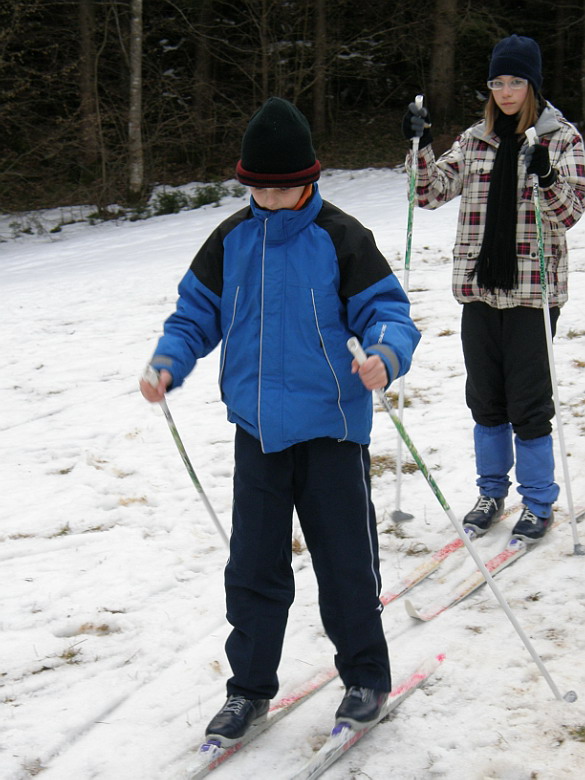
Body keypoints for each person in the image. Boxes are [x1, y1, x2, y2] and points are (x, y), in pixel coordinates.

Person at [140, 97, 421, 745]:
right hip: (258, 434)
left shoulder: (342, 237)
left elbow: (388, 313)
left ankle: (365, 678)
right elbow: (194, 315)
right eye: (258, 189)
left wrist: (383, 355)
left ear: (309, 179)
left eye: (281, 188)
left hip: (331, 431)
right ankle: (247, 690)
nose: (268, 200)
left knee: (345, 564)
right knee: (253, 568)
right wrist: (167, 361)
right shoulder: (232, 239)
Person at [402, 34, 585, 542]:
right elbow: (428, 192)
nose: (505, 92)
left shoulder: (561, 140)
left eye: (515, 82)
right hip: (479, 288)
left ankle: (538, 500)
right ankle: (490, 492)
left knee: (528, 403)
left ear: (533, 85)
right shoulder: (474, 140)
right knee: (485, 399)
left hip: (531, 291)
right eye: (497, 82)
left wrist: (546, 175)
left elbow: (570, 213)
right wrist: (418, 146)